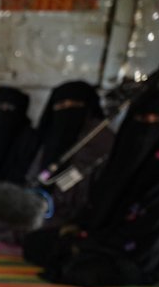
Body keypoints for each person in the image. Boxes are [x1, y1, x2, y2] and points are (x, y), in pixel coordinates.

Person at [23, 89, 159, 287]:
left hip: (138, 250)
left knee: (80, 269)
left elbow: (152, 225)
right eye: (141, 117)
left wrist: (96, 243)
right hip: (101, 235)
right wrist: (81, 228)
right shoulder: (122, 155)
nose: (148, 123)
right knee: (36, 243)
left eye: (157, 119)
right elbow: (100, 201)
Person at [9, 80, 113, 228]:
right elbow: (33, 173)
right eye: (60, 106)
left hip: (78, 214)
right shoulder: (48, 133)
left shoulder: (98, 137)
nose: (66, 110)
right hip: (42, 204)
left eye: (74, 105)